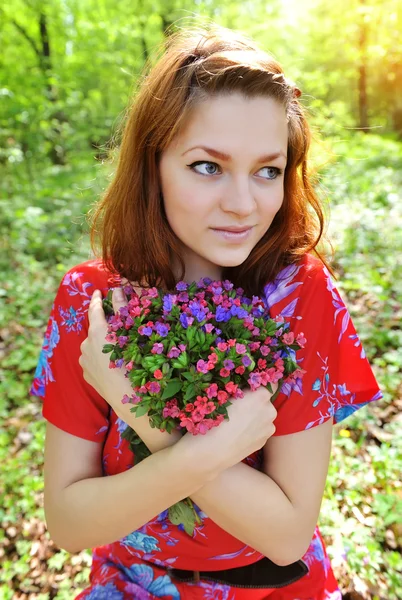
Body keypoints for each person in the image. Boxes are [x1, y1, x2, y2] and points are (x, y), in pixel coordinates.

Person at [30, 22, 383, 600]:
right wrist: (211, 449)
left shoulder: (301, 295)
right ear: (153, 165)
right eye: (207, 166)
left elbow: (287, 533)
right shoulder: (91, 302)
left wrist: (143, 410)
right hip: (133, 585)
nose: (244, 204)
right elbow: (69, 524)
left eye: (267, 170)